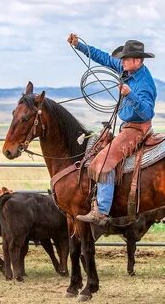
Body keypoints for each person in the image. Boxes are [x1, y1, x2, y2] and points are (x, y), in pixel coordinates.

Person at [67, 33, 157, 223]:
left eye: (125, 59)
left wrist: (130, 94)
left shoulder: (144, 83)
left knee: (105, 160)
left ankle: (102, 210)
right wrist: (79, 46)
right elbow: (105, 58)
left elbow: (147, 112)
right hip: (127, 126)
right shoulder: (128, 71)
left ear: (138, 61)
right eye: (122, 59)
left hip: (136, 128)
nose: (121, 61)